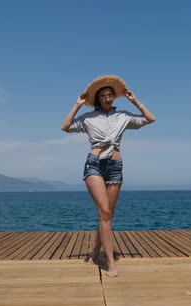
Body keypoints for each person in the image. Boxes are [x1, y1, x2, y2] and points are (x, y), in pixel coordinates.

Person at [61, 75, 156, 277]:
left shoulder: (123, 116)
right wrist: (77, 105)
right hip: (94, 164)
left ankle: (95, 252)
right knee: (104, 212)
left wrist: (134, 101)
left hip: (115, 166)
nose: (107, 98)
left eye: (110, 95)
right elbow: (65, 126)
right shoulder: (88, 118)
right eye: (103, 95)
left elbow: (149, 119)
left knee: (107, 216)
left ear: (114, 97)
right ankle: (111, 263)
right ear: (98, 99)